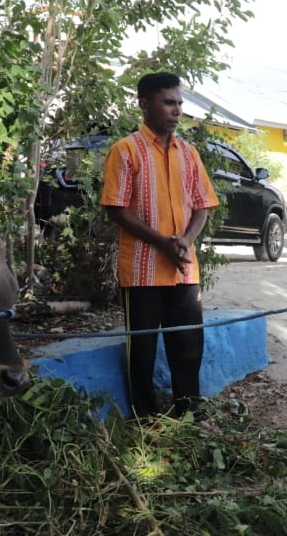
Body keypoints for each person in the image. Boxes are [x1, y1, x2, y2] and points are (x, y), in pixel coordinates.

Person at [100, 71, 219, 419]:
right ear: (144, 103)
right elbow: (115, 209)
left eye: (180, 103)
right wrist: (162, 243)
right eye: (169, 102)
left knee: (188, 345)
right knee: (143, 351)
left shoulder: (189, 153)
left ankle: (188, 415)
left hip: (183, 270)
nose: (177, 110)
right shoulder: (125, 151)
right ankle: (145, 420)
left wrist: (184, 241)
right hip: (141, 271)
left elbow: (203, 205)